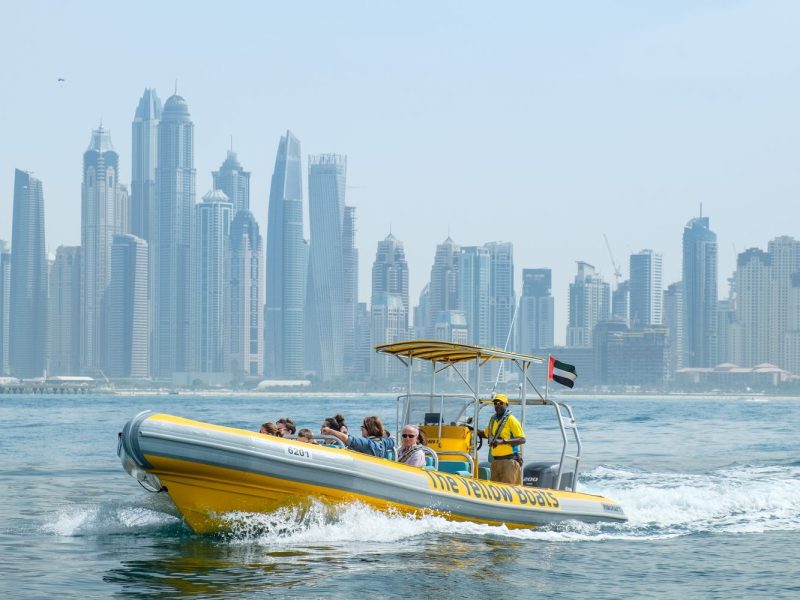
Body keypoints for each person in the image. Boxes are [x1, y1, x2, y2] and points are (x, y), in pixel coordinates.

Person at [477, 393, 525, 485]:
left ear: (506, 404)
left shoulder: (511, 420)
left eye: (500, 403)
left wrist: (503, 441)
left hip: (509, 462)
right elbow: (486, 434)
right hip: (495, 462)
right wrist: (472, 430)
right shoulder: (493, 420)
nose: (497, 405)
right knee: (495, 491)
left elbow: (522, 439)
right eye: (495, 403)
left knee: (508, 490)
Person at [321, 415, 396, 459]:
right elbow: (393, 439)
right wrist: (381, 431)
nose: (361, 429)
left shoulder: (366, 443)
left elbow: (347, 439)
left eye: (362, 427)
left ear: (369, 429)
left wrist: (330, 431)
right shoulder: (383, 443)